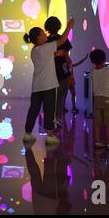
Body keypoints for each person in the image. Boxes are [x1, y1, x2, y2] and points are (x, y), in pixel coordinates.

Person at [23, 17, 74, 146]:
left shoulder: (35, 50)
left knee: (33, 109)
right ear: (38, 38)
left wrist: (56, 54)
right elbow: (61, 40)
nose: (45, 34)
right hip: (49, 85)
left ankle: (28, 134)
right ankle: (50, 136)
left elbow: (50, 55)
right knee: (49, 109)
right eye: (42, 34)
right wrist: (69, 26)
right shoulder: (47, 47)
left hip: (37, 86)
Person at [89, 49, 109, 151]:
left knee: (97, 122)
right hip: (108, 98)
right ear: (104, 59)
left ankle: (98, 142)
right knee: (108, 122)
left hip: (97, 98)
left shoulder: (92, 72)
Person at [45, 17, 73, 127]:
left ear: (47, 27)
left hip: (48, 72)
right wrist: (69, 74)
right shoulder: (63, 39)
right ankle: (57, 118)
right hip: (61, 71)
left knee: (49, 96)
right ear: (59, 26)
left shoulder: (45, 41)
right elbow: (67, 59)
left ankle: (50, 118)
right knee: (61, 96)